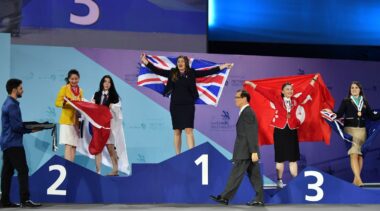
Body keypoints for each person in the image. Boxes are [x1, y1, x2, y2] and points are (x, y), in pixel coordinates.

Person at [141, 54, 233, 154]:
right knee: (177, 132)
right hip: (175, 106)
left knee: (189, 130)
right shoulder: (172, 72)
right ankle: (177, 156)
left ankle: (191, 155)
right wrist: (146, 63)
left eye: (182, 61)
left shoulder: (192, 73)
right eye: (178, 61)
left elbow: (207, 72)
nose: (180, 63)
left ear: (186, 63)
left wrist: (223, 66)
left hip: (188, 106)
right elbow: (158, 71)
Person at [245, 74, 318, 188]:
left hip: (292, 130)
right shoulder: (277, 99)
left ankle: (295, 181)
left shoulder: (296, 100)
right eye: (287, 89)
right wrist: (252, 84)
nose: (290, 91)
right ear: (283, 91)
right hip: (280, 131)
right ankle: (279, 180)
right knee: (280, 158)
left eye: (291, 89)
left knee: (293, 158)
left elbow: (306, 92)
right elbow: (264, 92)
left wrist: (313, 80)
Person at [210, 89, 264, 206]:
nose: (235, 99)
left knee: (236, 174)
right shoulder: (245, 112)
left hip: (245, 151)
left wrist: (254, 151)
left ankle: (225, 197)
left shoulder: (248, 112)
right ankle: (258, 199)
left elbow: (251, 133)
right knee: (255, 176)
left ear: (244, 99)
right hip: (247, 151)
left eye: (237, 97)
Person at [0, 79, 42, 208]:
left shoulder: (7, 103)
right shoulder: (12, 105)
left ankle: (4, 201)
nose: (22, 90)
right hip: (14, 143)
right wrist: (32, 129)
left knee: (7, 173)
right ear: (14, 90)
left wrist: (32, 125)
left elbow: (16, 124)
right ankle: (25, 200)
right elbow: (16, 127)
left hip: (7, 143)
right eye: (20, 88)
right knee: (23, 170)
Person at [330, 81, 380, 186]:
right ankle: (358, 179)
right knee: (353, 153)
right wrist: (330, 113)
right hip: (350, 131)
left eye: (356, 88)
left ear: (360, 89)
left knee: (360, 155)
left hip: (362, 131)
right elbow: (339, 114)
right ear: (350, 90)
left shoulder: (364, 102)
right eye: (352, 88)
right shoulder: (346, 101)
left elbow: (371, 116)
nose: (353, 89)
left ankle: (355, 180)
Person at [92, 75, 123, 176]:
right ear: (102, 83)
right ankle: (98, 172)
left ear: (111, 84)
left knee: (110, 147)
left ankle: (115, 169)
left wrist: (112, 106)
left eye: (109, 82)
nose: (106, 84)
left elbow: (118, 108)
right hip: (98, 126)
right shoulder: (96, 94)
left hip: (109, 126)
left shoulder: (115, 96)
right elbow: (90, 106)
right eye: (105, 81)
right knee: (98, 149)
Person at [55, 69, 83, 161]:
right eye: (72, 79)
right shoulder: (64, 88)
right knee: (68, 144)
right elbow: (57, 102)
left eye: (76, 79)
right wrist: (66, 103)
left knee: (74, 145)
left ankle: (72, 167)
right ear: (69, 79)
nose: (74, 81)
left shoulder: (80, 91)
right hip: (66, 120)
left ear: (79, 79)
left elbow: (81, 104)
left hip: (76, 121)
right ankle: (68, 168)